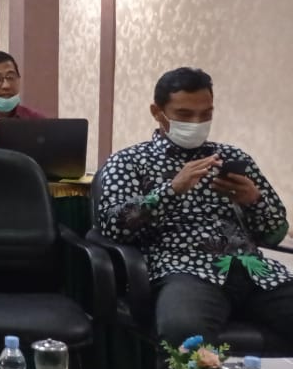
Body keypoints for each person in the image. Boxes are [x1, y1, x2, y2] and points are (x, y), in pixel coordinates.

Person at [98, 67, 293, 346]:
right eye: (185, 114)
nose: (197, 122)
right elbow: (114, 226)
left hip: (252, 269)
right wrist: (171, 190)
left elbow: (276, 233)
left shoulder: (232, 157)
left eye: (205, 114)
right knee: (185, 333)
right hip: (184, 270)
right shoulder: (130, 161)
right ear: (157, 112)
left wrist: (253, 200)